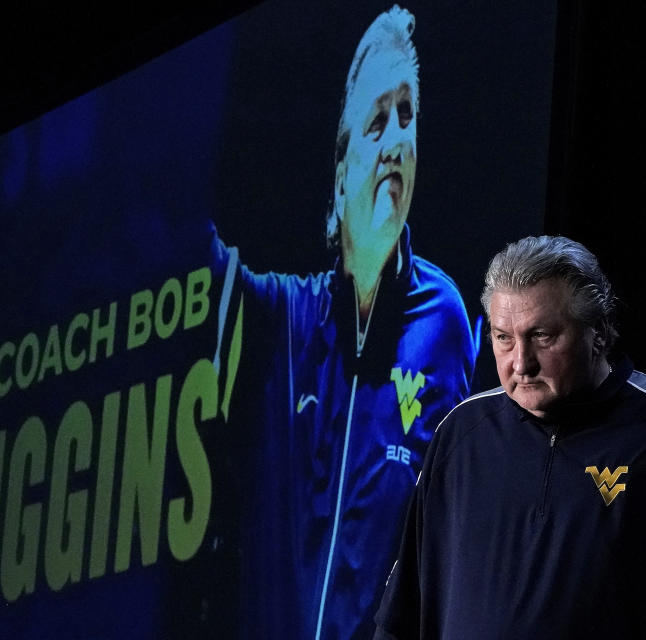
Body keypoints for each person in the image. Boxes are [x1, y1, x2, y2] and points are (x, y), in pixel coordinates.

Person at [207, 6, 478, 639]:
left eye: (408, 116)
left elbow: (454, 519)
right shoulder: (286, 317)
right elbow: (186, 254)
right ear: (340, 168)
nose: (398, 141)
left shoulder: (444, 319)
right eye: (378, 121)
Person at [372, 235, 646, 639]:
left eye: (543, 336)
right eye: (504, 338)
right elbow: (402, 612)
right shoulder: (461, 436)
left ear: (599, 333)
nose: (521, 362)